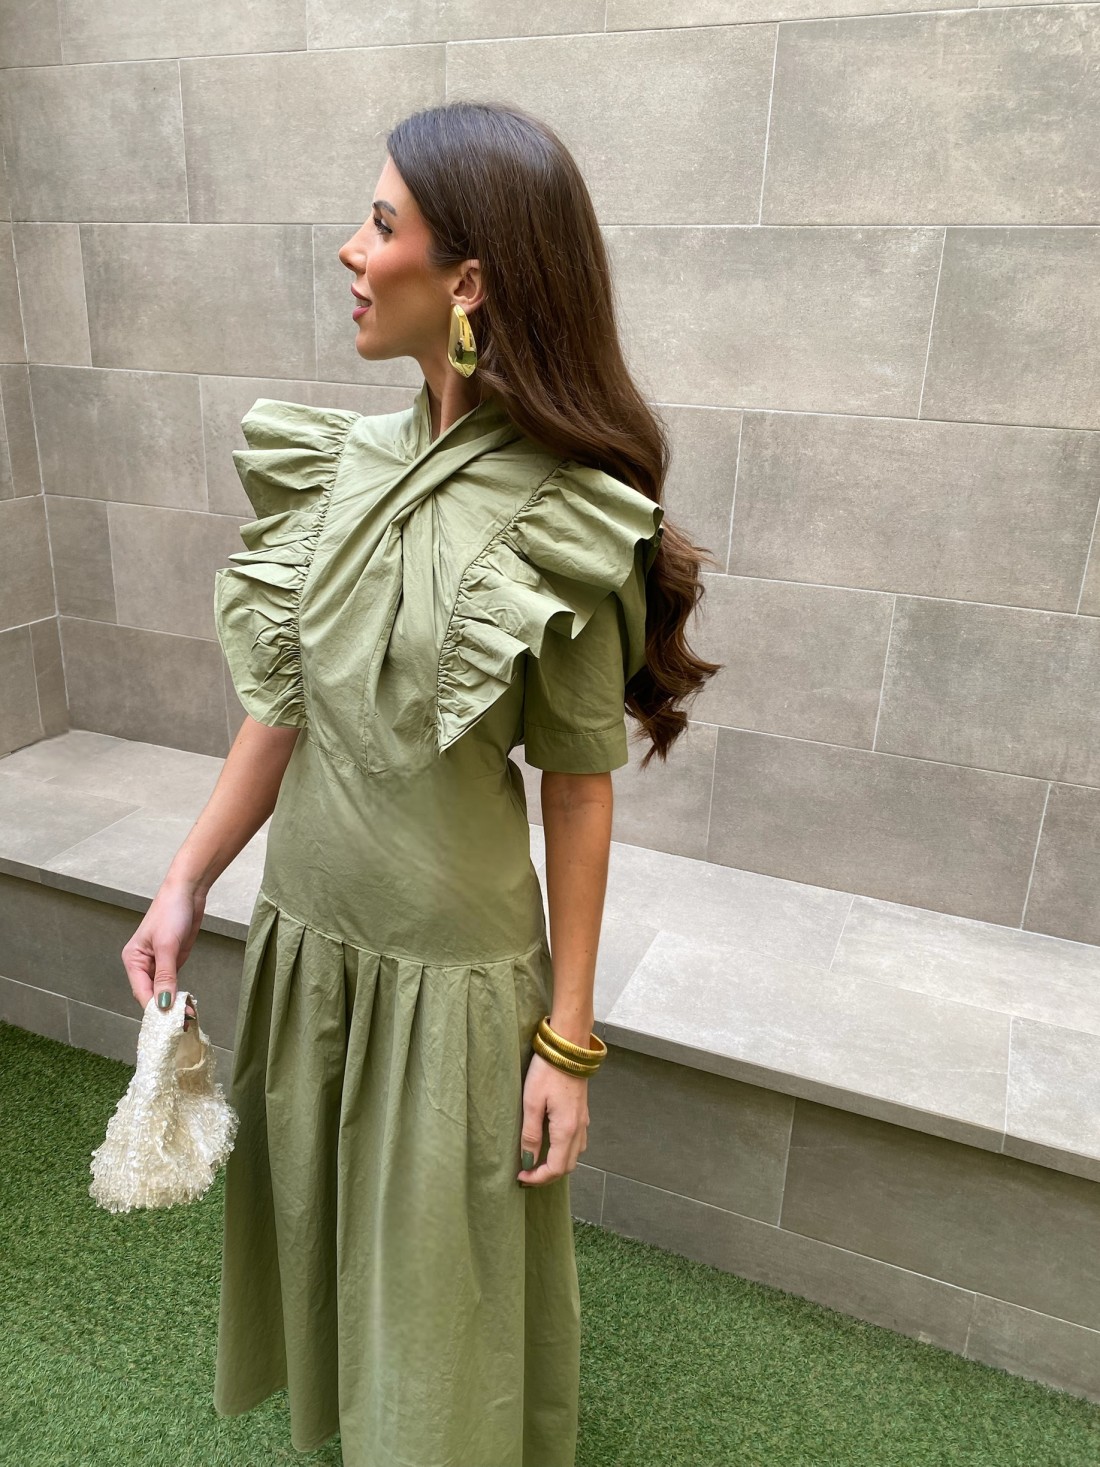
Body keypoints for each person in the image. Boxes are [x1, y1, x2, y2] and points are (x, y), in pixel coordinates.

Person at [121, 100, 718, 1467]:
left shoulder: (567, 510)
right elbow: (287, 706)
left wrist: (567, 1040)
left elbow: (578, 788)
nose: (350, 248)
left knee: (443, 1313)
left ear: (470, 281)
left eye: (381, 223)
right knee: (328, 1250)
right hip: (308, 938)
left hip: (451, 980)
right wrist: (185, 880)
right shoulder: (339, 463)